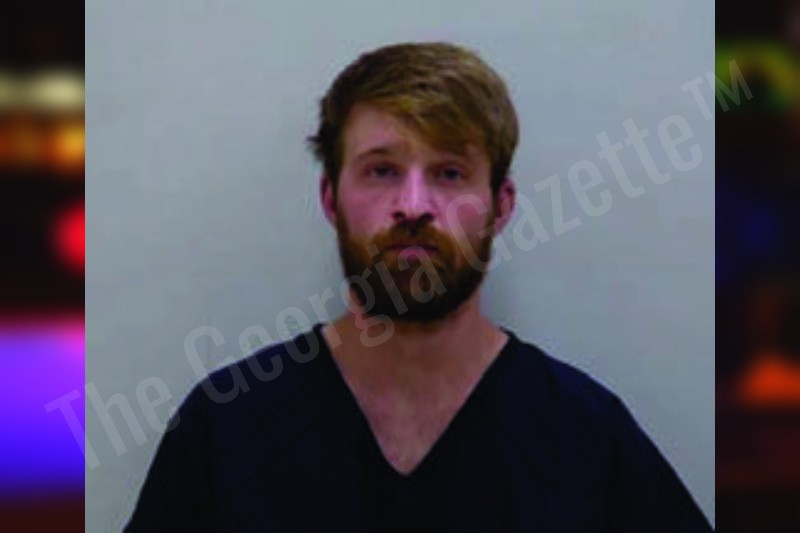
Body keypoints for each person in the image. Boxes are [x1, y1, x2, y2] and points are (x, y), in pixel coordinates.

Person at [126, 42, 712, 532]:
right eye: (381, 170)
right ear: (330, 198)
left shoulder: (584, 440)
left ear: (501, 206)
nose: (413, 205)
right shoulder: (226, 430)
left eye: (449, 173)